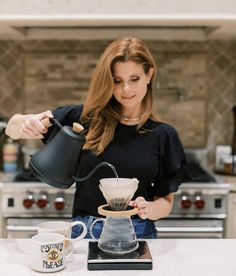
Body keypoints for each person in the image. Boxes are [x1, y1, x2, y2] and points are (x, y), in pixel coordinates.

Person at [5, 36, 191, 239]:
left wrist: (149, 208)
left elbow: (165, 203)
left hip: (138, 232)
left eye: (134, 79)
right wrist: (26, 122)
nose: (126, 89)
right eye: (117, 81)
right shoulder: (83, 120)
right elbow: (11, 127)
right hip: (85, 232)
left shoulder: (164, 135)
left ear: (149, 75)